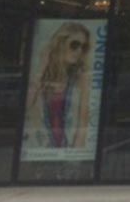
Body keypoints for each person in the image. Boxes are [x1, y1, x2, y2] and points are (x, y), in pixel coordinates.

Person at [23, 21, 92, 149]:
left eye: (84, 47)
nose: (79, 51)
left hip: (67, 146)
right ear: (61, 43)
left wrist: (76, 152)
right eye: (75, 45)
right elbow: (25, 105)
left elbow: (84, 117)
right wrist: (41, 69)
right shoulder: (40, 73)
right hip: (38, 147)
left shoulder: (81, 77)